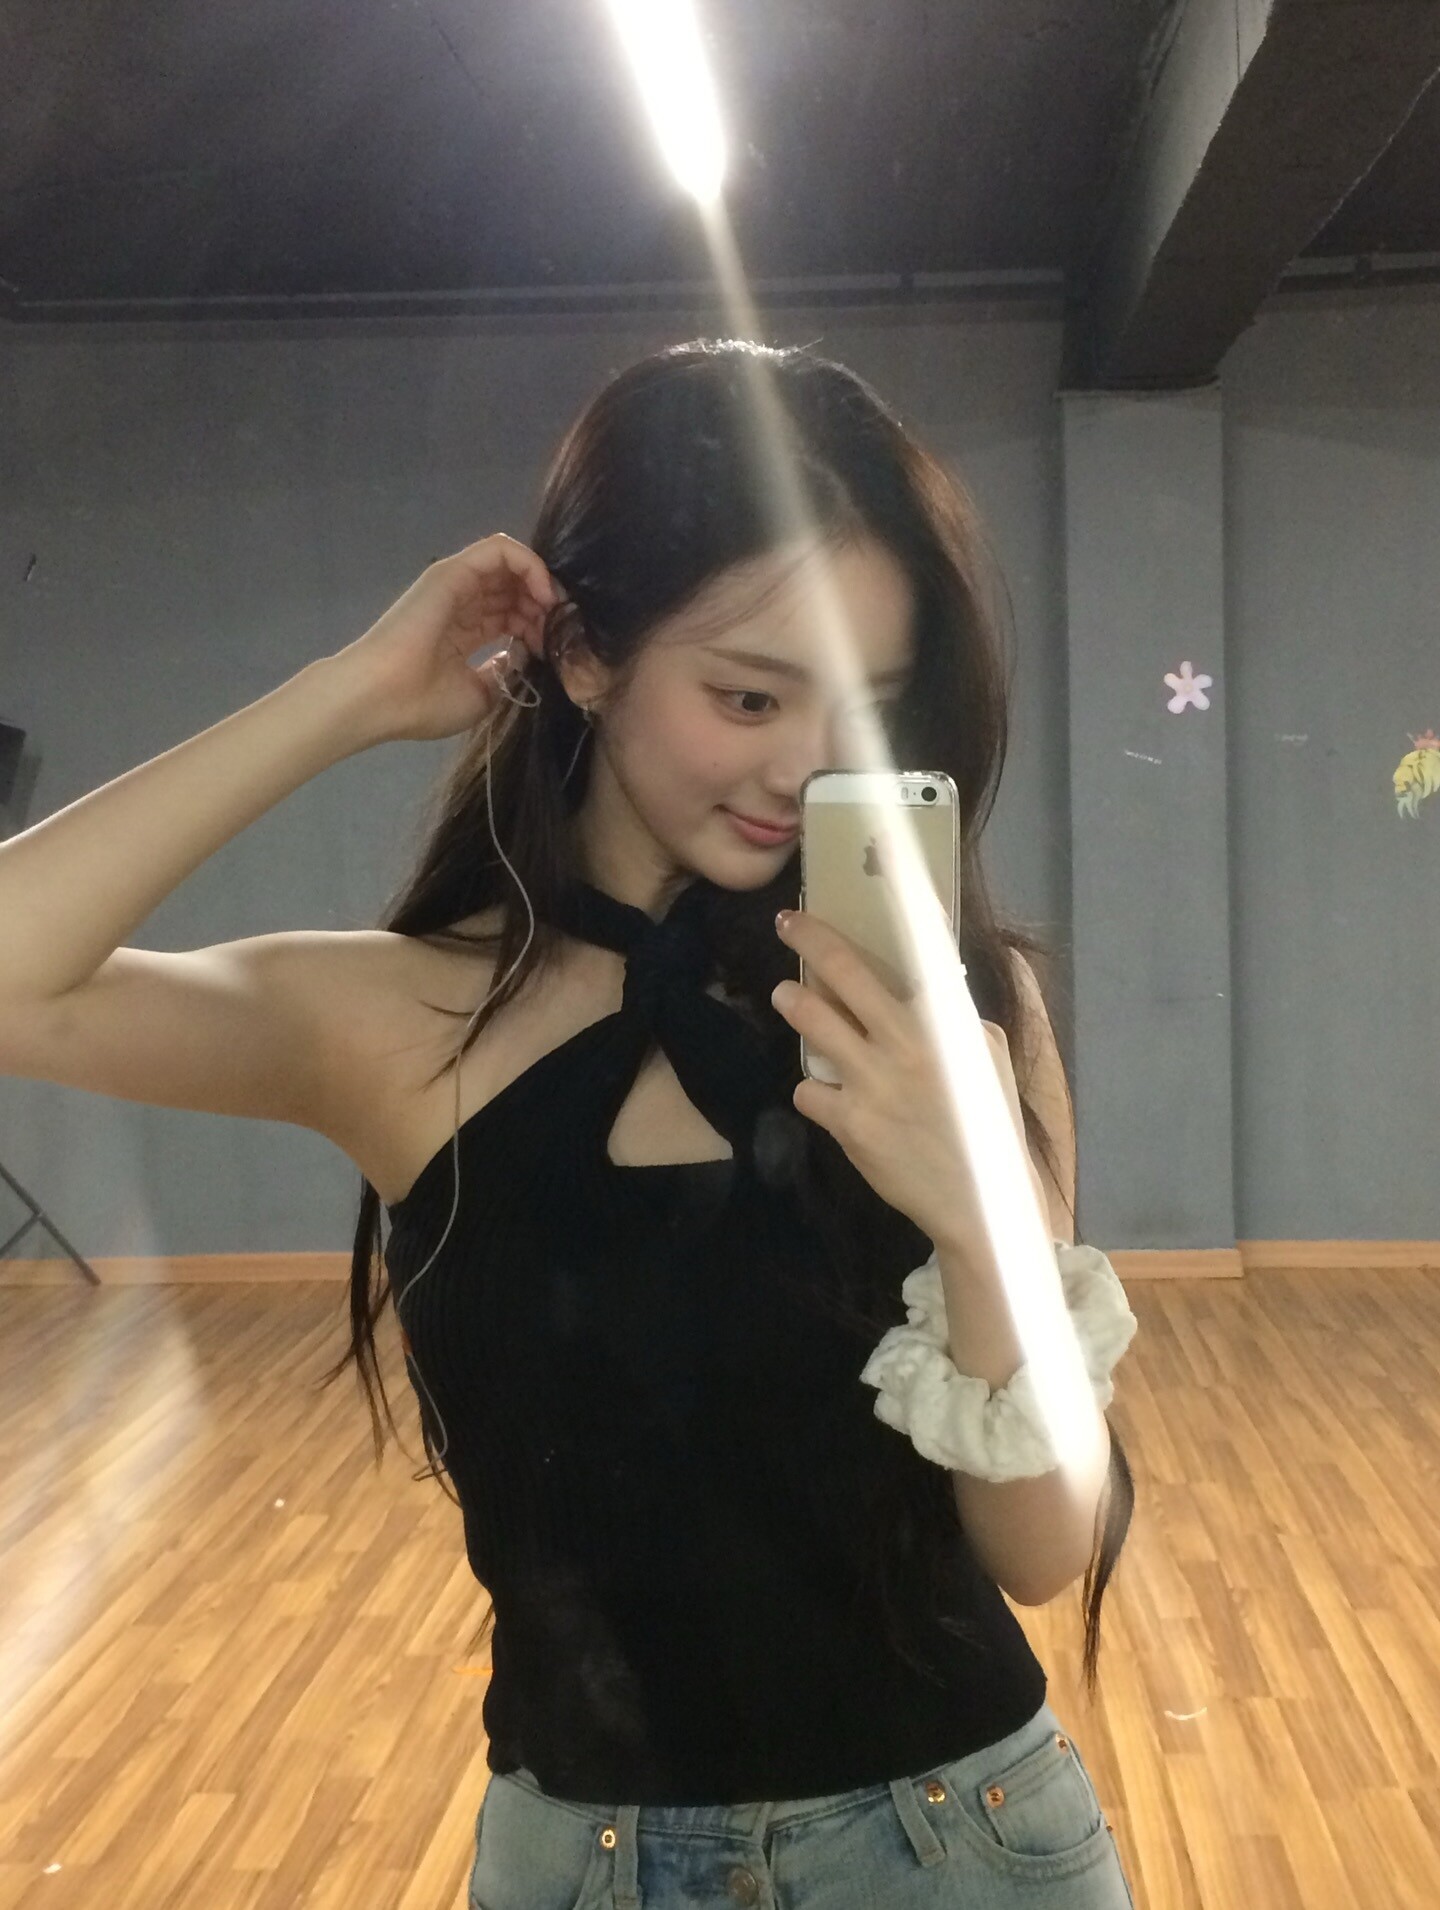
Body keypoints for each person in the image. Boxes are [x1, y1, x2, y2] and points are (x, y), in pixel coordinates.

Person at [0, 337, 1137, 1908]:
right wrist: (349, 695)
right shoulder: (397, 1021)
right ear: (588, 655)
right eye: (748, 693)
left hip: (966, 1847)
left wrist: (977, 1211)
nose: (809, 763)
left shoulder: (957, 1007)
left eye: (867, 706)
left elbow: (1044, 1545)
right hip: (585, 1864)